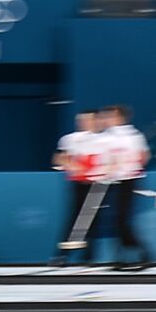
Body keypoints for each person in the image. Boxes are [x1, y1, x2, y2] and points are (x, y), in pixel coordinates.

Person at [96, 104, 153, 270]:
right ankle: (123, 257)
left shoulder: (132, 136)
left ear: (118, 117)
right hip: (114, 180)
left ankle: (142, 254)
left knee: (121, 219)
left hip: (127, 180)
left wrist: (129, 169)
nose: (106, 120)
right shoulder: (107, 136)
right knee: (116, 220)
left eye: (109, 116)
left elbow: (143, 156)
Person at [49, 109, 102, 265]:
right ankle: (61, 255)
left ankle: (89, 257)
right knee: (74, 217)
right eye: (81, 120)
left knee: (93, 219)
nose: (83, 123)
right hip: (78, 183)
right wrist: (72, 165)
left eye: (87, 120)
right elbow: (58, 158)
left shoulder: (103, 140)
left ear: (95, 121)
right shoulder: (69, 139)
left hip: (97, 183)